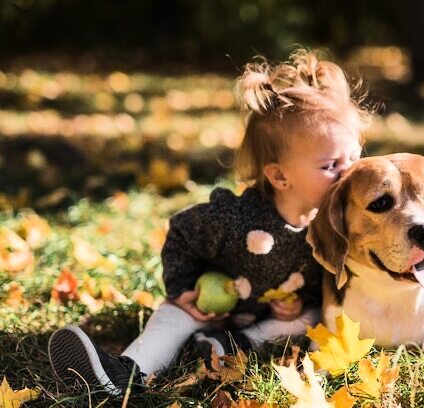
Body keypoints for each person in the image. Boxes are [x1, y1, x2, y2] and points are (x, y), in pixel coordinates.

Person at [47, 49, 369, 397]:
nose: (349, 172)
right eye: (330, 165)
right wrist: (182, 289)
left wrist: (297, 301)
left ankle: (227, 345)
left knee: (309, 318)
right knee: (172, 318)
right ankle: (127, 373)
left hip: (266, 320)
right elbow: (183, 233)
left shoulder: (333, 223)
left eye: (354, 157)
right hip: (211, 304)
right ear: (279, 176)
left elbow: (324, 277)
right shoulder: (233, 216)